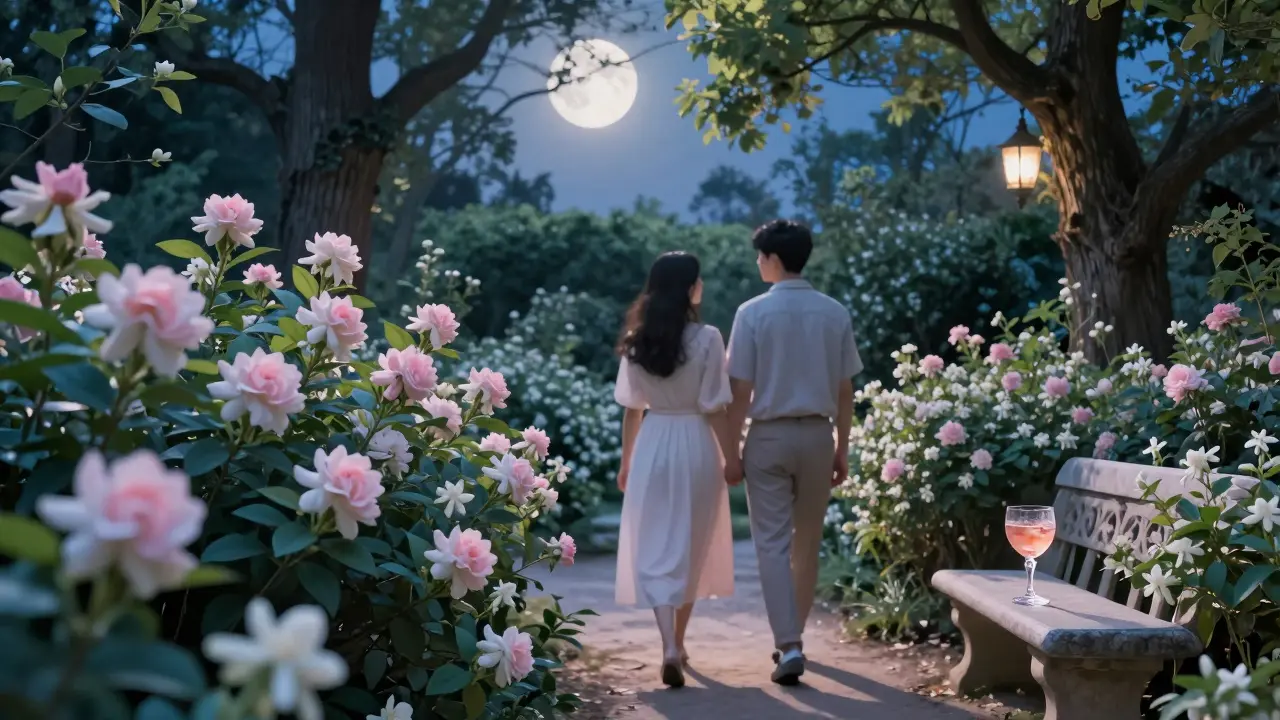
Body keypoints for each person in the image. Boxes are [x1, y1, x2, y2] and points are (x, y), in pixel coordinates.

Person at [724, 219, 862, 686]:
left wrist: (731, 449)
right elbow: (845, 391)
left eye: (760, 256)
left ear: (774, 259)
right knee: (806, 543)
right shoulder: (834, 312)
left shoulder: (751, 313)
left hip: (768, 435)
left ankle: (789, 644)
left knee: (771, 543)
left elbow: (739, 390)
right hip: (819, 435)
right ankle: (793, 638)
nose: (758, 263)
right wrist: (842, 447)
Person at [613, 251, 737, 689]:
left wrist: (627, 463)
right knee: (690, 544)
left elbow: (632, 411)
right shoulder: (707, 338)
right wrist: (732, 457)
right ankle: (678, 643)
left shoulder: (636, 341)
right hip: (697, 443)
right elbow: (716, 406)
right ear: (689, 289)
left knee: (655, 546)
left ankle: (669, 643)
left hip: (653, 444)